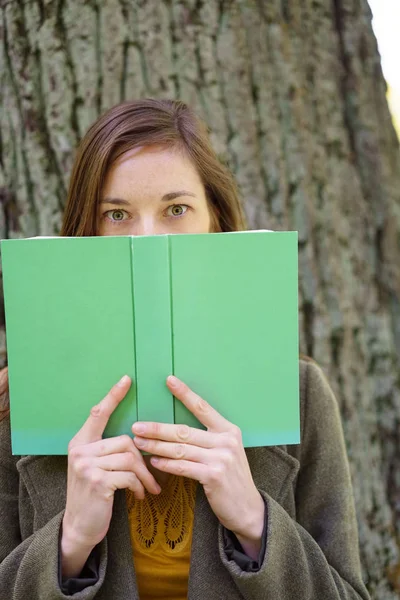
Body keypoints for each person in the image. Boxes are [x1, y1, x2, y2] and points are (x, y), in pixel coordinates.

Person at [0, 99, 370, 600]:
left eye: (176, 209)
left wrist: (257, 526)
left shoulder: (300, 393)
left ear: (213, 220)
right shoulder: (17, 400)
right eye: (117, 214)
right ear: (87, 230)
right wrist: (68, 546)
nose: (148, 239)